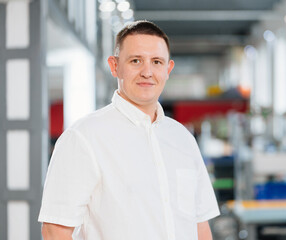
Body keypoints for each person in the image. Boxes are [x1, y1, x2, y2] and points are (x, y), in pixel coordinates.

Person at [38, 20, 220, 240]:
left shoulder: (182, 138)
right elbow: (55, 230)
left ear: (168, 69)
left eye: (156, 62)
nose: (147, 72)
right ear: (115, 66)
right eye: (136, 61)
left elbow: (200, 226)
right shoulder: (83, 138)